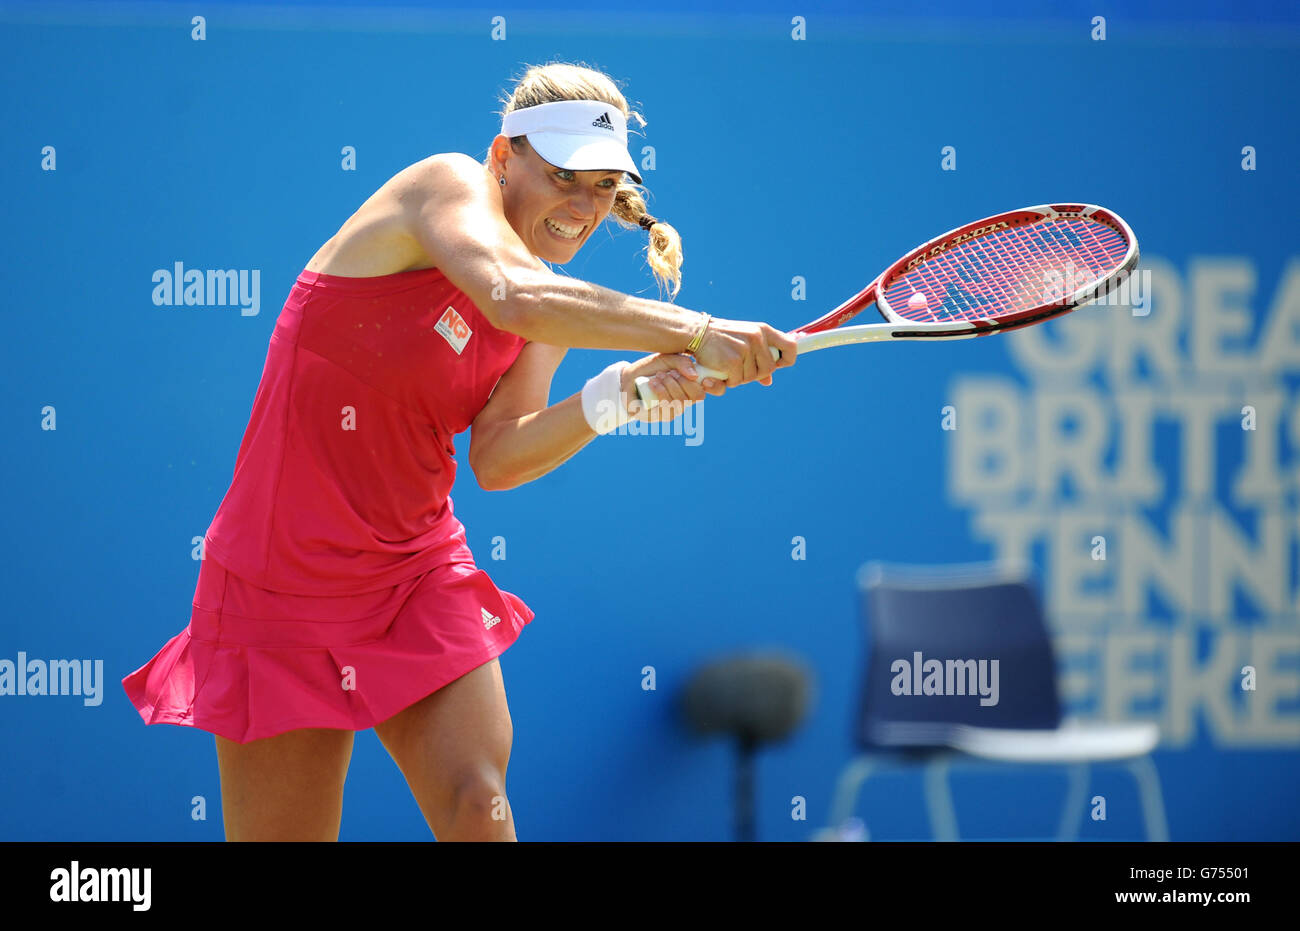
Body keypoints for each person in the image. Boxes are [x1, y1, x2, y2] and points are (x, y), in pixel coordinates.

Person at [121, 60, 796, 841]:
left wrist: (628, 390)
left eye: (604, 185)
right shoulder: (443, 186)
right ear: (502, 157)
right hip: (276, 578)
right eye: (564, 176)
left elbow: (499, 457)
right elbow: (509, 293)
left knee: (479, 803)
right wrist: (697, 329)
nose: (584, 205)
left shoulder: (550, 300)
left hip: (414, 571)